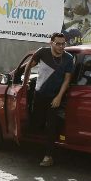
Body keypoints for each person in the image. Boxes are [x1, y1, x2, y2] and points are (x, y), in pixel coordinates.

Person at [25, 32, 75, 167]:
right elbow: (29, 65)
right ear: (51, 43)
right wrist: (25, 82)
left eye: (63, 44)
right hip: (39, 95)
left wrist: (59, 97)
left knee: (51, 127)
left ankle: (49, 156)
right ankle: (35, 151)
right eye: (58, 44)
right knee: (37, 123)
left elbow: (67, 80)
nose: (61, 47)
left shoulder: (68, 58)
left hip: (55, 97)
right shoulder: (42, 52)